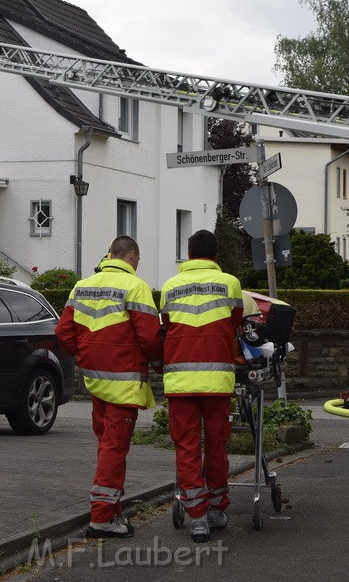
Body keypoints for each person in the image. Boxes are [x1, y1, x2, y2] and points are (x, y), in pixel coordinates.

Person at [54, 235, 162, 538]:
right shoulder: (136, 287)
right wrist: (158, 363)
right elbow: (151, 338)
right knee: (114, 449)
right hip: (124, 382)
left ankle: (113, 512)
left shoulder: (82, 285)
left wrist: (83, 354)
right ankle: (102, 518)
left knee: (106, 447)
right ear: (131, 256)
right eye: (138, 259)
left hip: (95, 381)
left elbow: (63, 331)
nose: (138, 264)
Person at [159, 229, 243, 543]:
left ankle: (197, 518)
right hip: (218, 382)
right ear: (215, 254)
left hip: (181, 383)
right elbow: (235, 322)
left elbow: (167, 326)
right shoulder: (230, 283)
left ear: (189, 254)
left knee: (187, 449)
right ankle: (217, 510)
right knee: (217, 448)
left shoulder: (169, 286)